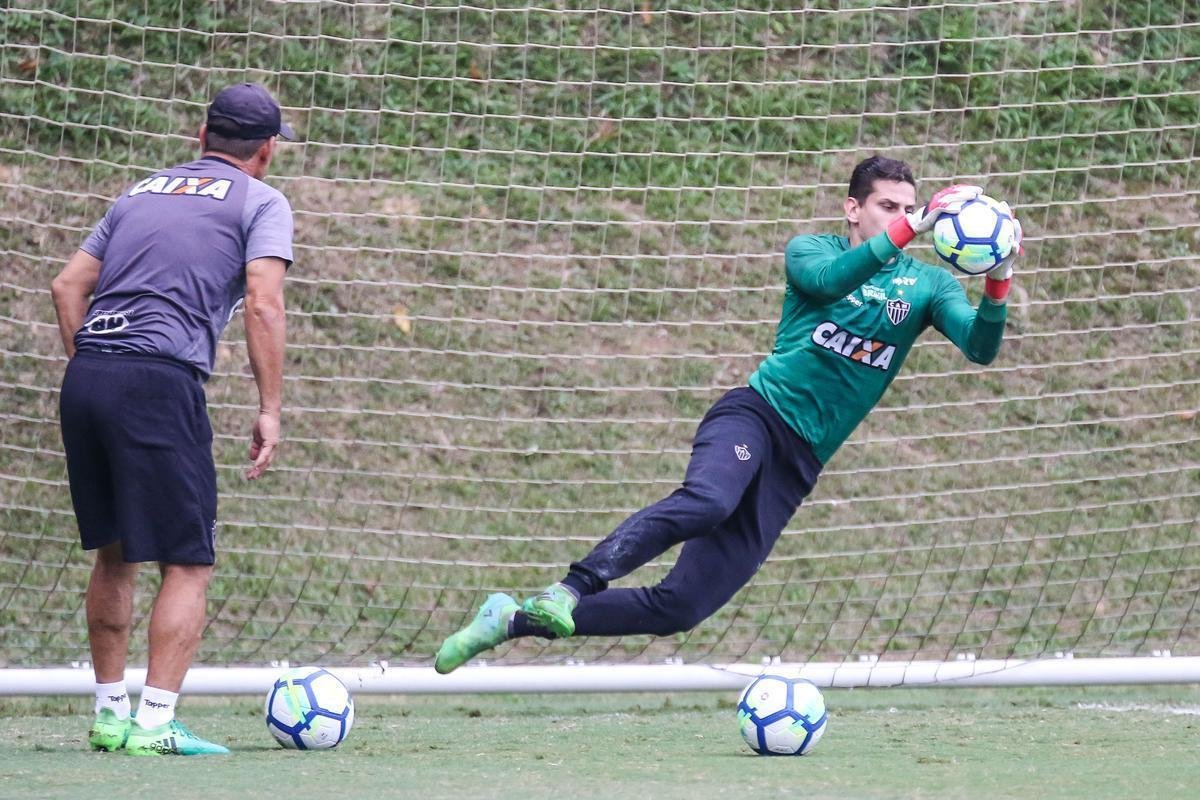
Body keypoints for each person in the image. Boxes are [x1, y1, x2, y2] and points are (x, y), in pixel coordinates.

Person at [434, 155, 1022, 674]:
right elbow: (829, 282)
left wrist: (998, 279)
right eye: (887, 207)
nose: (901, 216)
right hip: (755, 417)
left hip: (799, 462)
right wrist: (915, 226)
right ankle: (569, 587)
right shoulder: (811, 252)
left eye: (909, 208)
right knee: (708, 502)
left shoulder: (927, 285)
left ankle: (509, 621)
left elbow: (980, 347)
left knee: (681, 607)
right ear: (853, 209)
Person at [51, 83, 294, 755]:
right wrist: (270, 409)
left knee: (115, 552)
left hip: (89, 375)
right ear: (267, 151)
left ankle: (109, 716)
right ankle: (155, 724)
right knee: (188, 561)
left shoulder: (138, 192)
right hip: (157, 381)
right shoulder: (261, 201)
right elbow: (263, 302)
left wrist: (98, 366)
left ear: (201, 136)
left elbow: (67, 286)